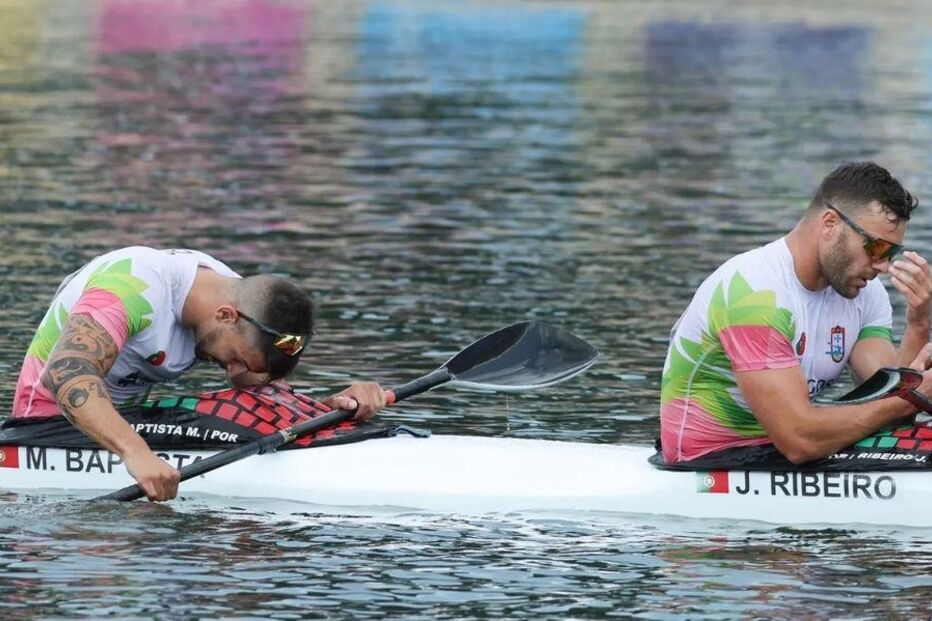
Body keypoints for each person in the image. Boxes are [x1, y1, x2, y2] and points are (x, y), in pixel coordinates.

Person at [12, 247, 386, 500]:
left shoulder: (236, 300)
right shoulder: (133, 287)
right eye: (237, 359)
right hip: (49, 428)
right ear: (225, 316)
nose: (235, 371)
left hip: (128, 423)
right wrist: (137, 453)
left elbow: (259, 390)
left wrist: (328, 411)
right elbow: (64, 375)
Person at [660, 162, 932, 465]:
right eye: (877, 248)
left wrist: (919, 323)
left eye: (891, 253)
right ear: (830, 223)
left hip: (785, 449)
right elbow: (799, 441)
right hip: (713, 456)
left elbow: (887, 404)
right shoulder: (754, 293)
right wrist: (915, 394)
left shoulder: (864, 293)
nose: (883, 266)